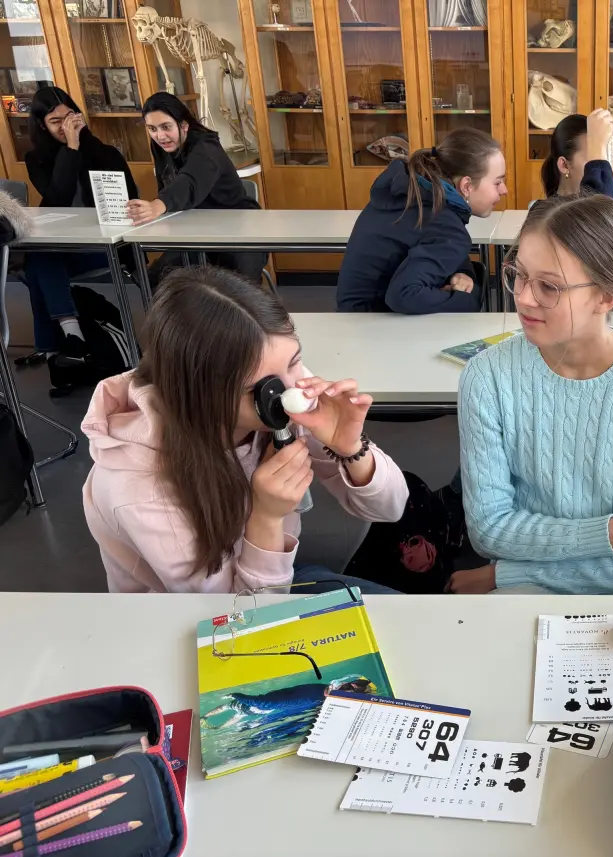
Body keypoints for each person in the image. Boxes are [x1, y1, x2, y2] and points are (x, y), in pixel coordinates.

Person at [82, 266, 410, 594]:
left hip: (274, 575)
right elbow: (236, 614)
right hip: (198, 612)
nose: (293, 393)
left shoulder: (285, 389)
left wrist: (351, 448)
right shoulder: (136, 487)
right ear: (202, 396)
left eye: (294, 361)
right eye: (260, 388)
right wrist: (266, 517)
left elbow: (389, 509)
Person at [451, 193, 613, 595]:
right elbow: (488, 531)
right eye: (519, 274)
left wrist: (504, 574)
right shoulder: (487, 375)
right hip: (526, 594)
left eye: (549, 286)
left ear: (607, 295)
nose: (523, 297)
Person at [337, 128, 508, 314]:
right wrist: (468, 298)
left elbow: (448, 253)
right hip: (372, 322)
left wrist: (463, 274)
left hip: (350, 314)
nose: (504, 190)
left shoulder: (414, 194)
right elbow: (403, 295)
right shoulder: (443, 221)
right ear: (466, 186)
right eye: (497, 182)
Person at [22, 87, 138, 357]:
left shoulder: (104, 153)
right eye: (55, 121)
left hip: (106, 245)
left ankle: (55, 345)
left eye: (69, 117)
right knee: (39, 258)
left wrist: (77, 145)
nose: (66, 127)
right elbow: (57, 197)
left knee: (37, 264)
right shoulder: (36, 159)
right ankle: (70, 336)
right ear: (42, 126)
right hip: (65, 246)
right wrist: (71, 149)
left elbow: (129, 199)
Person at [128, 92, 266, 285]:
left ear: (184, 125)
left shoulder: (206, 147)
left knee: (241, 288)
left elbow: (189, 182)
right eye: (152, 129)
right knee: (158, 278)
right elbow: (168, 183)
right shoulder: (160, 146)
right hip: (196, 228)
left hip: (240, 228)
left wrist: (157, 205)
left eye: (166, 127)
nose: (160, 136)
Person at [541, 109, 613, 308]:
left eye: (603, 157)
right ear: (564, 165)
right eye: (594, 159)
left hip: (610, 315)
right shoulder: (544, 216)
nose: (603, 169)